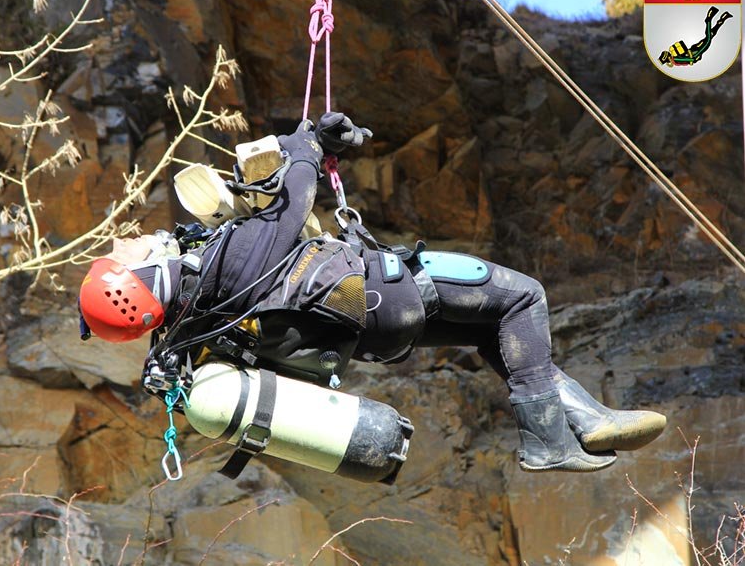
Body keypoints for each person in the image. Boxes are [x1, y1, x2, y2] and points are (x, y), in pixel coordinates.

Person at [78, 113, 666, 474]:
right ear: (138, 278)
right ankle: (546, 442)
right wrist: (310, 139)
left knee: (495, 329)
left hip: (368, 334)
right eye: (121, 252)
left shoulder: (186, 327)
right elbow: (293, 197)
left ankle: (583, 421)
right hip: (387, 291)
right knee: (522, 298)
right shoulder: (219, 263)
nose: (126, 239)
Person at [660, 6, 733, 66]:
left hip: (696, 51)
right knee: (711, 35)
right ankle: (724, 17)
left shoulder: (676, 59)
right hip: (694, 49)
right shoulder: (675, 59)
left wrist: (697, 56)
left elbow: (690, 59)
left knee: (708, 40)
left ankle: (708, 19)